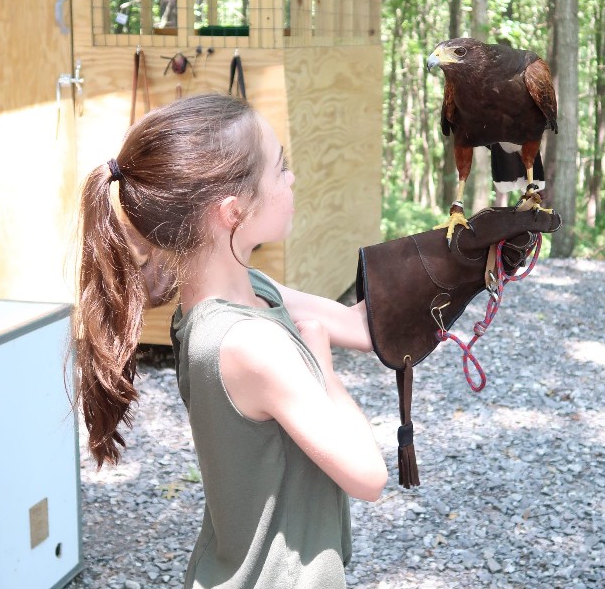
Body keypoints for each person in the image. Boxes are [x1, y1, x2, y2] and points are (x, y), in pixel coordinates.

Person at [72, 93, 388, 589]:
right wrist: (325, 375)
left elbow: (364, 327)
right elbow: (368, 477)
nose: (293, 178)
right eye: (280, 168)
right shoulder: (247, 345)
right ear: (233, 211)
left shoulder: (250, 291)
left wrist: (467, 262)